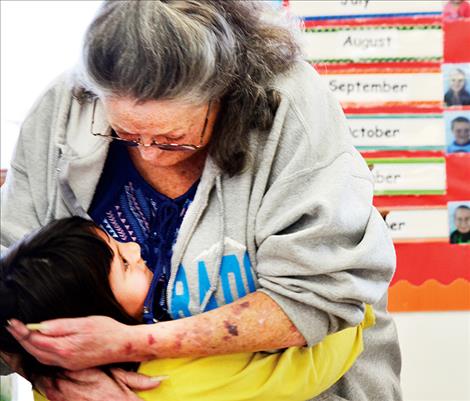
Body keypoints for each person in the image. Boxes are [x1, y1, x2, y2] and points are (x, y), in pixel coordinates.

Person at [0, 1, 402, 400]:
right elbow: (9, 290)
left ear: (226, 95)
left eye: (173, 139)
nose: (149, 153)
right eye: (122, 133)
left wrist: (128, 345)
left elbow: (322, 301)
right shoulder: (63, 105)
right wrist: (53, 374)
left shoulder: (290, 108)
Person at [1, 217, 373, 401]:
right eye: (123, 263)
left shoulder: (49, 389)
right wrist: (354, 306)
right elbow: (306, 371)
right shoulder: (169, 378)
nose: (133, 246)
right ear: (92, 317)